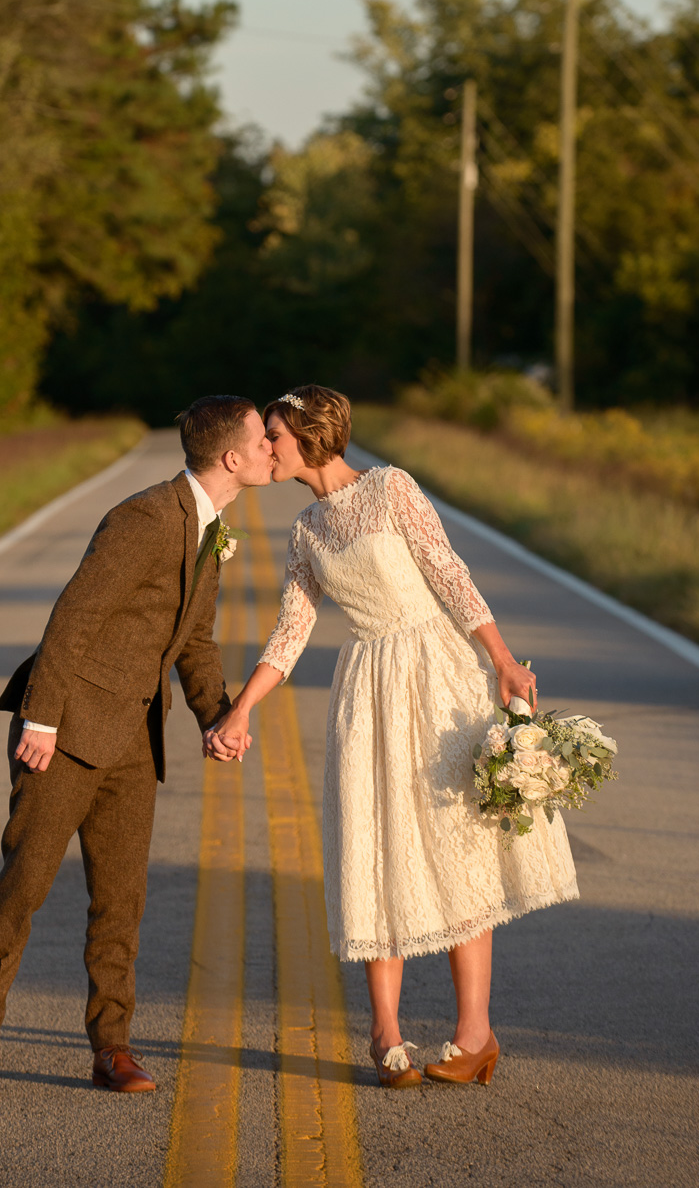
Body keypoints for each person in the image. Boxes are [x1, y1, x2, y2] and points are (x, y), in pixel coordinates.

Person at [207, 385, 578, 1090]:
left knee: (453, 845)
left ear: (311, 436)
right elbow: (290, 631)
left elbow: (449, 573)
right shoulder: (304, 531)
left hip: (435, 676)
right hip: (367, 690)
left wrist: (501, 659)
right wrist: (241, 710)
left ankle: (476, 1034)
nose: (267, 448)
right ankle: (385, 1031)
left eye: (275, 436)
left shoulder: (390, 489)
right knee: (378, 848)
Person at [0, 395, 272, 1101]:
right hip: (64, 733)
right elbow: (74, 615)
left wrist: (218, 716)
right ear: (232, 457)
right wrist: (40, 720)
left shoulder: (211, 528)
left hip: (132, 740)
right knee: (24, 887)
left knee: (121, 903)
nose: (274, 448)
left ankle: (111, 1049)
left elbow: (198, 642)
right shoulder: (146, 517)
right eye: (262, 440)